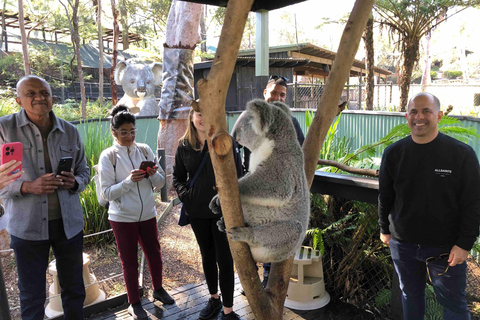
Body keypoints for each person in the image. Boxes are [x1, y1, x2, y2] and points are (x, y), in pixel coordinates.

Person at [378, 92, 480, 319]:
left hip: (445, 248)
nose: (419, 117)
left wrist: (464, 244)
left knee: (453, 303)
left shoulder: (461, 154)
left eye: (426, 111)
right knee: (409, 295)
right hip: (403, 245)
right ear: (407, 116)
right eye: (414, 111)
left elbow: (473, 203)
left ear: (439, 115)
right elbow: (385, 196)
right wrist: (384, 229)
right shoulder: (394, 153)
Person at [0, 75, 90, 320]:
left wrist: (76, 182)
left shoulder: (69, 131)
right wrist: (28, 186)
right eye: (31, 93)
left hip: (68, 226)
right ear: (19, 99)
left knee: (74, 289)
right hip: (26, 227)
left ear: (52, 97)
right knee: (32, 295)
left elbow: (84, 170)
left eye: (44, 92)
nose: (39, 97)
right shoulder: (4, 129)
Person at [99, 105, 174, 319]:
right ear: (114, 132)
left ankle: (158, 289)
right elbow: (105, 194)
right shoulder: (109, 157)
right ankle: (134, 302)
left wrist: (152, 175)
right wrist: (128, 181)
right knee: (129, 261)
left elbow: (160, 184)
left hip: (148, 214)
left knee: (155, 254)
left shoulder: (144, 150)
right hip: (122, 218)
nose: (129, 136)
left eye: (132, 131)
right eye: (123, 132)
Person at [173, 107, 243, 320]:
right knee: (207, 255)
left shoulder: (224, 140)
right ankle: (214, 299)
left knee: (225, 258)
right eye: (199, 113)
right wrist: (188, 196)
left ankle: (229, 310)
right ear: (192, 117)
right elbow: (177, 178)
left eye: (206, 113)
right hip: (198, 212)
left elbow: (238, 173)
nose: (203, 118)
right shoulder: (184, 146)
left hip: (223, 212)